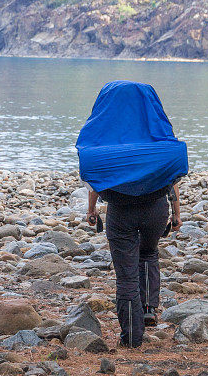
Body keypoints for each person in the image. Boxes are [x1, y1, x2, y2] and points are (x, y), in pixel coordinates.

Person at [76, 81, 188, 347]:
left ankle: (131, 338)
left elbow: (97, 180)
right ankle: (149, 307)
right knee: (148, 253)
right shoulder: (157, 129)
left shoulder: (104, 135)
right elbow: (170, 177)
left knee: (126, 275)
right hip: (156, 208)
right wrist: (176, 213)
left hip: (121, 212)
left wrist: (91, 210)